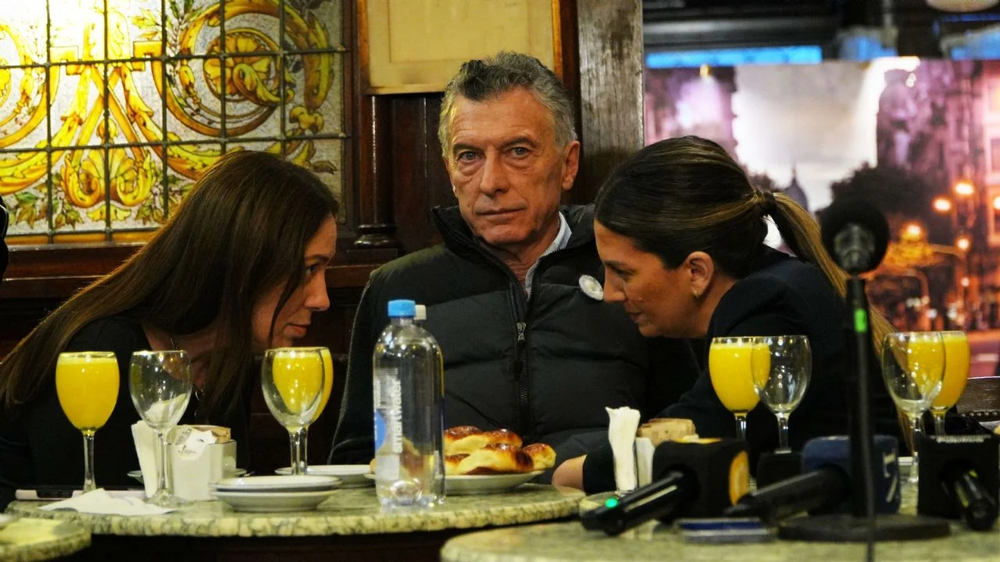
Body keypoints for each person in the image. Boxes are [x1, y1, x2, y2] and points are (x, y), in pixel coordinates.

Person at [329, 52, 699, 471]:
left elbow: (686, 430)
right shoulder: (398, 289)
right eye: (469, 156)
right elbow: (359, 458)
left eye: (518, 151)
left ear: (568, 164)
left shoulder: (633, 274)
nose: (491, 183)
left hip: (600, 516)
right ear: (449, 169)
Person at [552, 136, 902, 492]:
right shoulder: (760, 292)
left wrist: (570, 472)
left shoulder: (768, 308)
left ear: (697, 272)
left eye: (624, 273)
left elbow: (696, 437)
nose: (610, 293)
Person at [0, 151, 339, 508]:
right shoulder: (102, 349)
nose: (322, 299)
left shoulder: (223, 363)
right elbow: (91, 527)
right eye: (307, 270)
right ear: (244, 262)